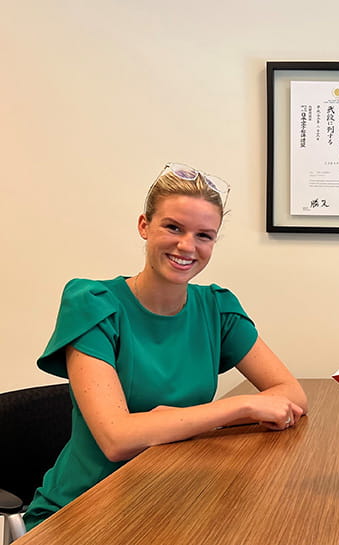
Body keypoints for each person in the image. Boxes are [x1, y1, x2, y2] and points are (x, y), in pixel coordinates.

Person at [25, 163, 308, 530]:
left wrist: (164, 420)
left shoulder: (217, 307)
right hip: (84, 510)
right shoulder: (92, 303)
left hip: (174, 497)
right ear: (144, 226)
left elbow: (293, 395)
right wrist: (240, 405)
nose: (187, 246)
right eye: (173, 227)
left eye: (204, 235)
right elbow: (117, 439)